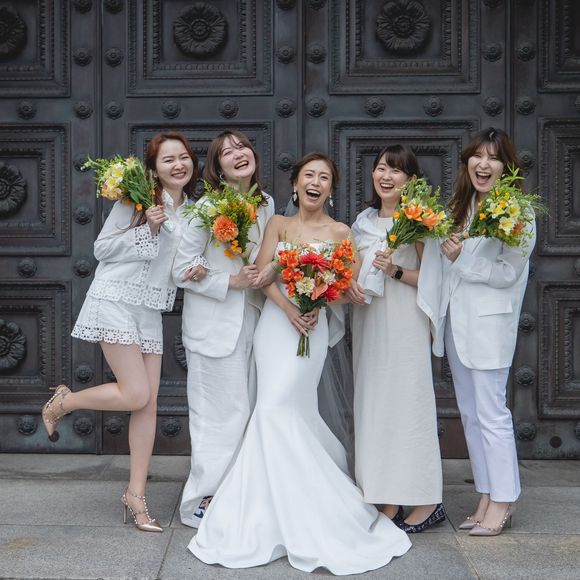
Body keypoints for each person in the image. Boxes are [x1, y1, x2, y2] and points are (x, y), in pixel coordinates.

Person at [188, 153, 411, 575]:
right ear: (295, 184)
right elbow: (261, 276)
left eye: (324, 177)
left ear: (330, 189)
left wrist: (326, 295)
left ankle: (305, 504)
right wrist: (291, 308)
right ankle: (268, 507)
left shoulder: (341, 231)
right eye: (309, 175)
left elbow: (350, 286)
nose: (316, 182)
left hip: (314, 327)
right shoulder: (278, 224)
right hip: (277, 327)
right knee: (272, 408)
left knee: (290, 409)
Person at [41, 131, 199, 532]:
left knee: (148, 405)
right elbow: (102, 249)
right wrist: (146, 228)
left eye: (183, 157)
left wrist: (195, 271)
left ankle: (135, 495)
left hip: (150, 308)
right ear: (154, 169)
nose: (178, 164)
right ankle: (65, 402)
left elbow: (177, 266)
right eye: (168, 159)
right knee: (135, 393)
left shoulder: (194, 212)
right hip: (114, 298)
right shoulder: (136, 200)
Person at [430, 127, 535, 536]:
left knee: (492, 413)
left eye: (493, 157)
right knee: (471, 415)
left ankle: (505, 499)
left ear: (507, 167)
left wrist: (462, 260)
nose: (484, 164)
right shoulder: (461, 206)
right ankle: (486, 493)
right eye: (478, 156)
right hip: (457, 324)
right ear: (468, 162)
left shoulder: (519, 213)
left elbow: (509, 273)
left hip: (490, 326)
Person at [172, 130, 275, 529]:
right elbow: (180, 268)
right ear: (217, 167)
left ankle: (237, 494)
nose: (238, 154)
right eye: (227, 152)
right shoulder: (206, 208)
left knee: (248, 413)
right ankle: (201, 500)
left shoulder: (266, 204)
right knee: (215, 417)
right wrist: (230, 281)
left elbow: (270, 256)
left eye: (242, 147)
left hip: (257, 322)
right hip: (214, 326)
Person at [347, 144, 444, 533]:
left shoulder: (418, 223)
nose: (386, 176)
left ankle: (426, 499)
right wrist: (350, 286)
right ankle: (384, 495)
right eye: (381, 168)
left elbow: (433, 279)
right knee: (374, 403)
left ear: (411, 180)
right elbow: (352, 268)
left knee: (407, 403)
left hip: (404, 321)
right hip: (369, 321)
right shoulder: (362, 221)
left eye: (396, 170)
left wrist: (396, 272)